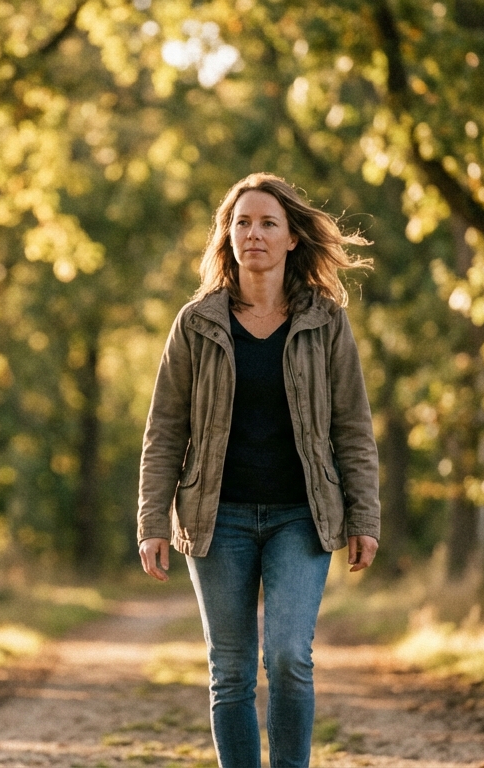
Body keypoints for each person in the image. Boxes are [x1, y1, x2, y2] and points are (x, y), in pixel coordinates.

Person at [136, 172, 381, 768]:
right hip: (216, 521)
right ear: (228, 235)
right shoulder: (196, 324)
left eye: (268, 222)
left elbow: (352, 425)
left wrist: (364, 514)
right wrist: (152, 521)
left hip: (302, 516)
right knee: (232, 671)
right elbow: (165, 430)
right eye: (242, 222)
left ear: (292, 237)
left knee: (290, 657)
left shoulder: (325, 322)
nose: (254, 234)